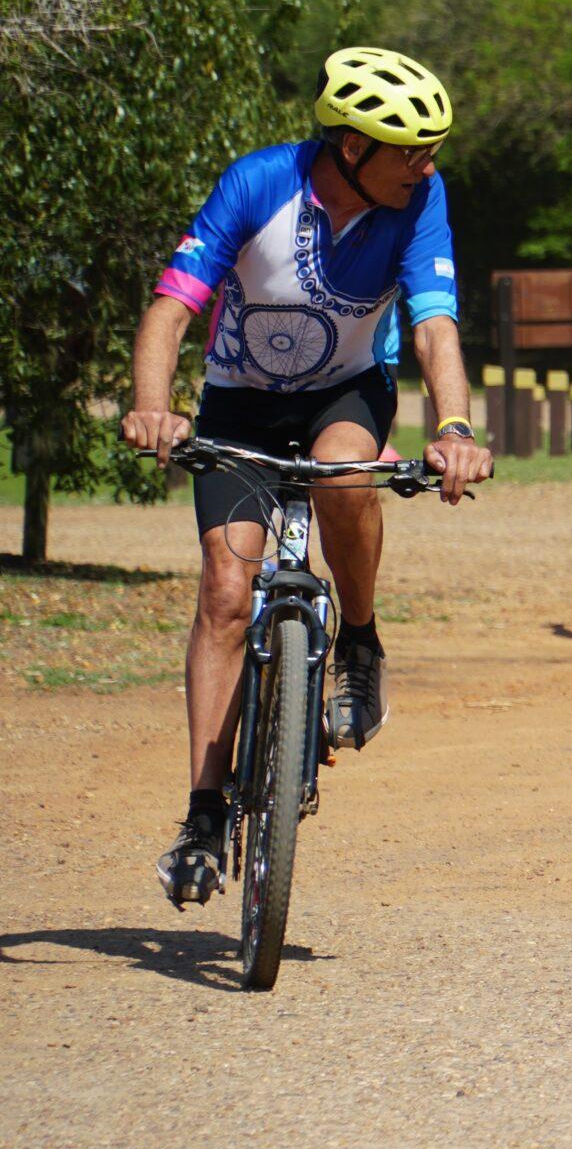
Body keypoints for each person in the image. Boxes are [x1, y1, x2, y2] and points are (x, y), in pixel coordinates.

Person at [120, 46, 496, 907]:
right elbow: (171, 307)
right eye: (413, 147)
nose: (429, 164)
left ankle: (358, 642)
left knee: (343, 479)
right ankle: (205, 814)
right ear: (353, 148)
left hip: (344, 393)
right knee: (224, 588)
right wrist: (152, 406)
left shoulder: (420, 201)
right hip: (240, 406)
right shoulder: (256, 184)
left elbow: (436, 325)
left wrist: (454, 427)